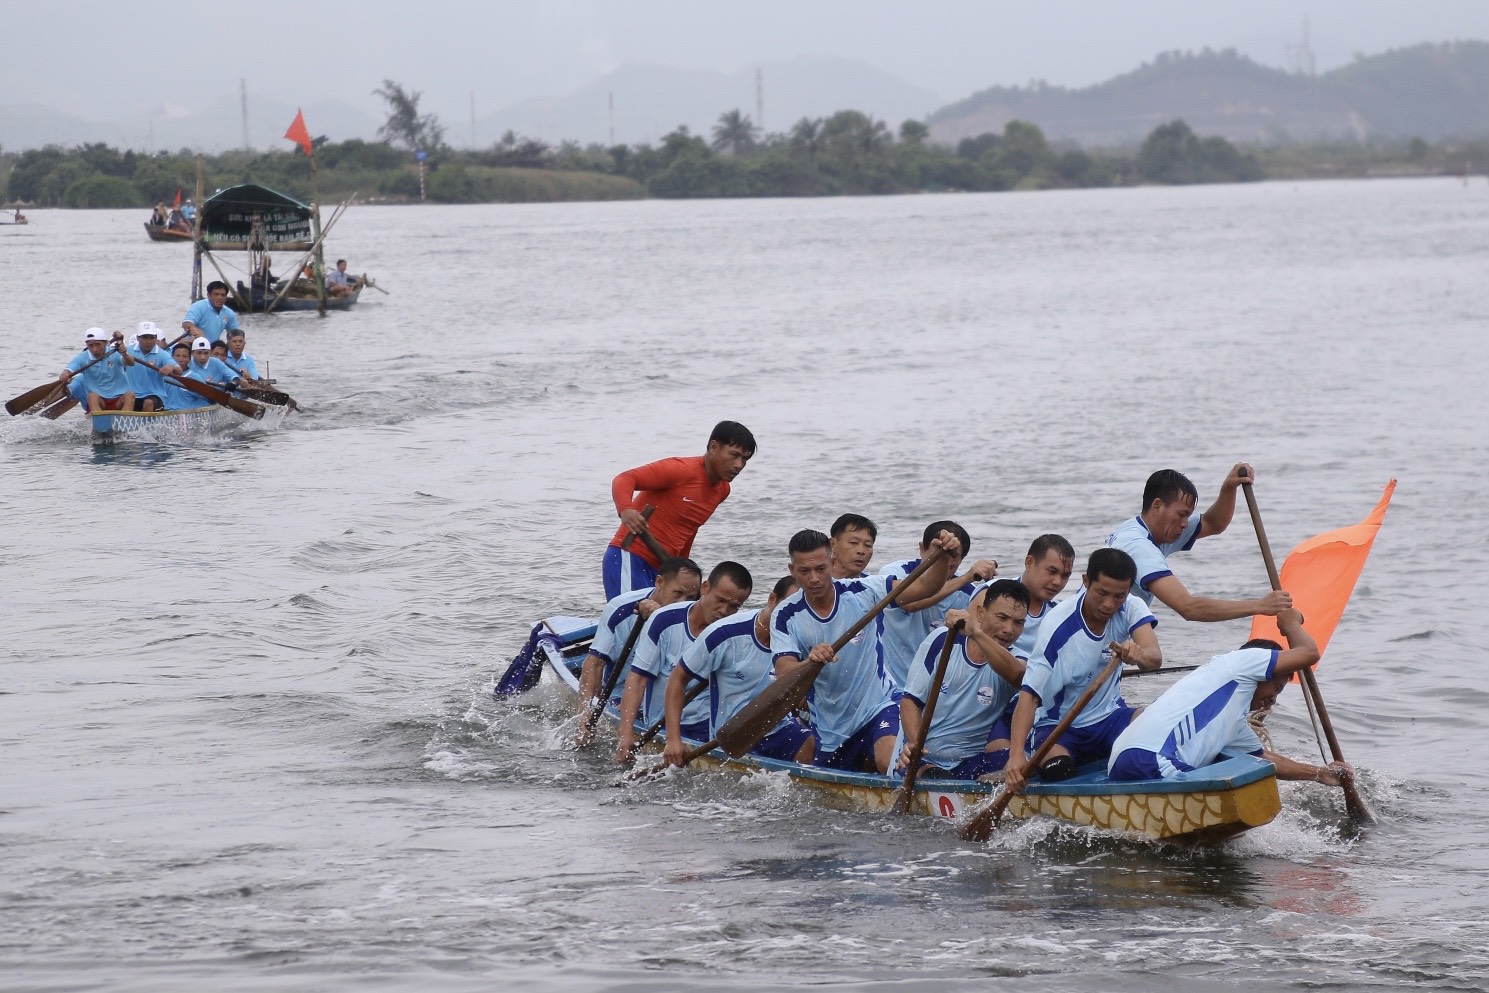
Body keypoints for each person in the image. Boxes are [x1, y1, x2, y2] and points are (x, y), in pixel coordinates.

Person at [771, 527, 959, 774]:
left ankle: (920, 775)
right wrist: (810, 662)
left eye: (821, 569)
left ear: (831, 561)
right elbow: (785, 676)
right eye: (804, 571)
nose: (814, 579)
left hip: (879, 705)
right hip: (831, 729)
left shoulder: (863, 591)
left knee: (889, 762)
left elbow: (924, 588)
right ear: (792, 570)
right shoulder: (785, 616)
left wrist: (942, 558)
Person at [1109, 609, 1352, 787]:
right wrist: (1291, 624)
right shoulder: (1240, 662)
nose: (1273, 700)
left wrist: (1320, 774)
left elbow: (1264, 759)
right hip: (1152, 761)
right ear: (1263, 671)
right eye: (1275, 689)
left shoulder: (1233, 722)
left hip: (1123, 760)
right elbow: (1309, 653)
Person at [1004, 548, 1163, 792]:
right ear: (1086, 581)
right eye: (1102, 593)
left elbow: (1154, 658)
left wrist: (1138, 654)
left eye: (1119, 595)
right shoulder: (1057, 627)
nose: (1109, 604)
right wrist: (1015, 758)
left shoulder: (1132, 607)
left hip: (1110, 718)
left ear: (1129, 589)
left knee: (1159, 733)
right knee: (1058, 770)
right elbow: (1029, 695)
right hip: (1059, 726)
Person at [662, 575, 815, 767]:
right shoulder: (724, 633)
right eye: (789, 605)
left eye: (803, 610)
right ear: (772, 599)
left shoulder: (806, 638)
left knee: (813, 747)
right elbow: (677, 679)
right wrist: (673, 740)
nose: (793, 615)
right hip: (732, 736)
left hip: (779, 728)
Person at [1107, 466, 1292, 622]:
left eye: (1188, 516)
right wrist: (1260, 605)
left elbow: (1213, 523)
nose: (1185, 524)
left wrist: (1229, 487)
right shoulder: (1138, 546)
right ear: (1157, 506)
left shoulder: (1151, 530)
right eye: (1181, 514)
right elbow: (1188, 608)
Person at [616, 561, 753, 763]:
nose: (724, 611)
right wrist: (625, 735)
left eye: (734, 607)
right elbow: (637, 679)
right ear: (704, 588)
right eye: (720, 600)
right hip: (661, 724)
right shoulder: (664, 620)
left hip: (709, 725)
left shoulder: (731, 632)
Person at [895, 579, 1031, 780]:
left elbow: (1017, 676)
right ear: (980, 614)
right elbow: (910, 702)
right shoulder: (943, 640)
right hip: (922, 760)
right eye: (1002, 617)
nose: (1009, 629)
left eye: (1018, 622)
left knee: (1029, 763)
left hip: (970, 763)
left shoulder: (1018, 660)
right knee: (929, 772)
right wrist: (915, 745)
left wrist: (976, 633)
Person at [603, 421, 756, 600]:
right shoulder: (681, 469)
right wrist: (626, 510)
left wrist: (683, 570)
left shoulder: (722, 490)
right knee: (629, 623)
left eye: (744, 459)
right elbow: (625, 479)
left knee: (658, 624)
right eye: (734, 455)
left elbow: (689, 530)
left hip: (664, 568)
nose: (739, 465)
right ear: (714, 447)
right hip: (629, 556)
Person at [573, 557, 703, 746]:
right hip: (621, 692)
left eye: (691, 598)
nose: (682, 603)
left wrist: (658, 617)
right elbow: (594, 663)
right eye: (677, 593)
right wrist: (584, 714)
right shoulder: (621, 609)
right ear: (659, 582)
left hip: (668, 694)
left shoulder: (695, 615)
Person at [878, 519, 998, 694]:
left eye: (950, 566)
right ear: (922, 548)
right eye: (935, 560)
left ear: (961, 560)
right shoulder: (894, 574)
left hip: (933, 690)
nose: (941, 570)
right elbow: (909, 604)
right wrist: (965, 578)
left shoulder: (968, 594)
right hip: (889, 686)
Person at [1010, 534, 1076, 659]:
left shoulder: (1061, 614)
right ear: (1029, 562)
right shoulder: (992, 593)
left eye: (1065, 575)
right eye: (1052, 571)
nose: (1058, 582)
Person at [59, 329, 134, 414]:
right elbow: (69, 369)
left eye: (98, 344)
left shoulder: (114, 353)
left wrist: (124, 353)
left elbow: (131, 362)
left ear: (105, 343)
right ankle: (99, 421)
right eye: (90, 345)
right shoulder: (83, 357)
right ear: (86, 345)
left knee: (130, 395)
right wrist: (65, 374)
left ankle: (124, 420)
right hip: (100, 402)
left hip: (119, 399)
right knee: (92, 397)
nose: (94, 349)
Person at [124, 322, 180, 412]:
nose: (148, 341)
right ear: (138, 338)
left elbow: (179, 370)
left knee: (148, 402)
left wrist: (171, 367)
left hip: (155, 395)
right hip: (133, 395)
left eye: (151, 338)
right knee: (126, 398)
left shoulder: (162, 354)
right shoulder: (128, 350)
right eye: (145, 338)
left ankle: (145, 425)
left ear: (156, 338)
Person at [829, 513, 877, 579]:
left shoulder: (873, 584)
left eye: (868, 545)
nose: (861, 551)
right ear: (832, 544)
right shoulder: (814, 583)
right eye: (853, 543)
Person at [160, 342, 205, 410]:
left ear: (189, 359)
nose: (180, 360)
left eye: (184, 356)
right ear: (172, 358)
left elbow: (206, 399)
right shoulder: (164, 376)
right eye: (177, 356)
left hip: (186, 415)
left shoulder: (195, 378)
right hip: (165, 414)